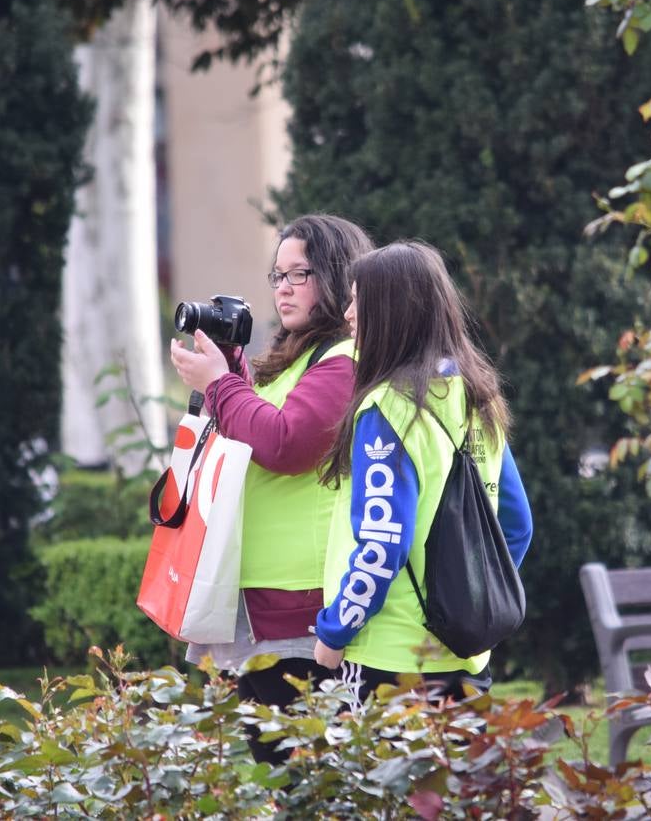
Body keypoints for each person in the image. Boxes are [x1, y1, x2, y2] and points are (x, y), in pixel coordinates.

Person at [169, 213, 372, 762]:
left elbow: (286, 444)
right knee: (279, 773)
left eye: (298, 274)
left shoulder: (344, 361)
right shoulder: (297, 360)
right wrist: (230, 370)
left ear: (335, 276)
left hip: (302, 607)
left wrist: (220, 384)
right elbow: (254, 425)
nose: (282, 288)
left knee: (304, 775)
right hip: (262, 603)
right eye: (276, 275)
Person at [311, 241, 532, 700]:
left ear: (393, 311)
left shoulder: (387, 410)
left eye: (358, 301)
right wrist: (470, 599)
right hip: (468, 657)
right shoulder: (478, 398)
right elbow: (516, 525)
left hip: (390, 660)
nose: (348, 315)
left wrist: (333, 632)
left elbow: (381, 545)